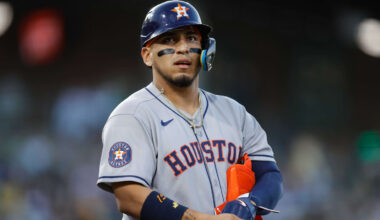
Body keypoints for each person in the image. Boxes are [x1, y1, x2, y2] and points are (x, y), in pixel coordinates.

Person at [97, 1, 283, 220]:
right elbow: (128, 195)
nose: (183, 48)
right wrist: (198, 218)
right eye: (169, 39)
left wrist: (248, 203)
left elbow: (270, 177)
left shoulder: (234, 113)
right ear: (147, 55)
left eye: (191, 38)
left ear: (205, 51)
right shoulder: (132, 115)